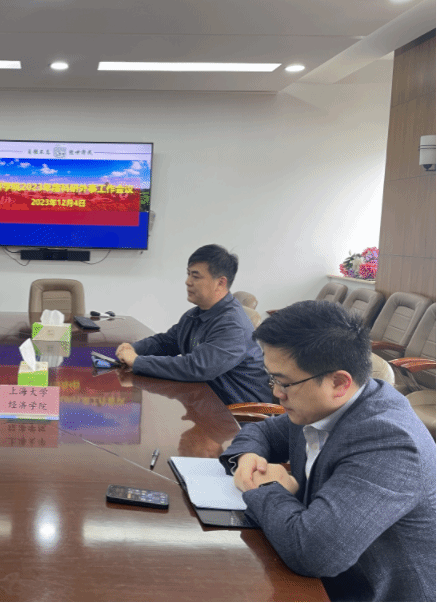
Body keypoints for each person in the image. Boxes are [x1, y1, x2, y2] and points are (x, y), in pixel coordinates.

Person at [220, 300, 435, 602]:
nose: (276, 393)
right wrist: (248, 458)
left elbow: (314, 553)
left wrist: (267, 488)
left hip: (363, 591)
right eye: (272, 378)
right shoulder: (321, 404)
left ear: (338, 382)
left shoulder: (390, 442)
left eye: (284, 383)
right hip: (321, 576)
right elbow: (262, 431)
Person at [115, 244, 272, 405]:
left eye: (195, 276)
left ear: (220, 283)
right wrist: (133, 349)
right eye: (188, 274)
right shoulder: (195, 314)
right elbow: (166, 342)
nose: (187, 282)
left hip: (240, 411)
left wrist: (138, 362)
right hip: (208, 401)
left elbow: (197, 367)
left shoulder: (232, 325)